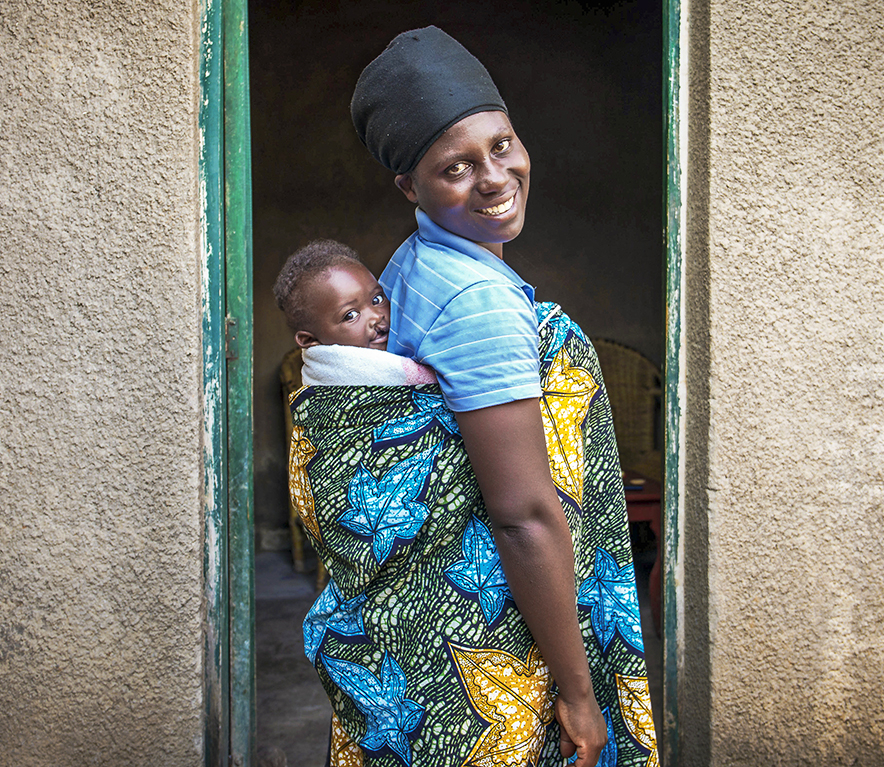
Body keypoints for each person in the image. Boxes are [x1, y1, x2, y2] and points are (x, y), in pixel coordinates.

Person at [289, 27, 658, 767]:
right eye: (454, 167)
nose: (494, 177)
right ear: (409, 186)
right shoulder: (475, 302)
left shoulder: (414, 263)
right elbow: (521, 514)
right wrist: (580, 694)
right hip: (490, 641)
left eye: (501, 144)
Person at [273, 238, 437, 385]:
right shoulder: (329, 389)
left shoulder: (417, 341)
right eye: (350, 315)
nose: (376, 316)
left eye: (377, 299)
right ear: (309, 339)